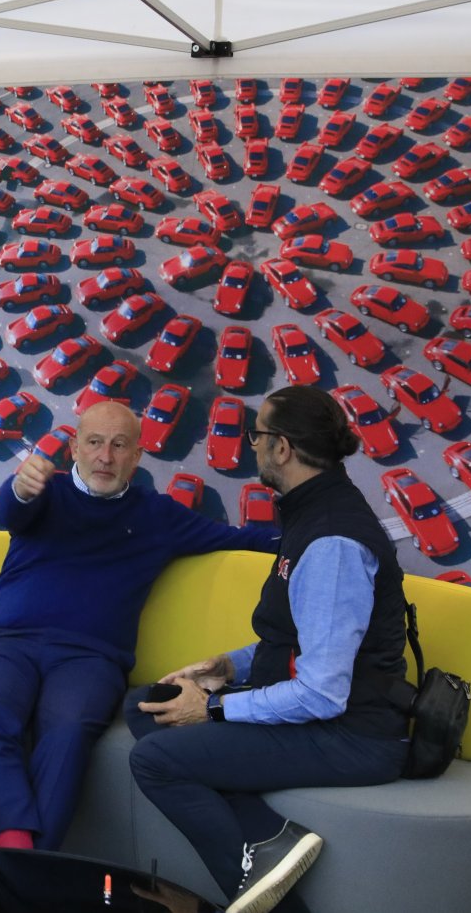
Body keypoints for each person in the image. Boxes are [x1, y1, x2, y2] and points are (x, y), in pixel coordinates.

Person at [128, 386, 410, 913]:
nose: (251, 445)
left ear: (282, 447)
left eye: (256, 435)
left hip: (350, 734)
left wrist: (213, 707)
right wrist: (230, 665)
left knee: (156, 760)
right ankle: (267, 836)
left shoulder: (332, 543)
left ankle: (268, 893)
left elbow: (323, 694)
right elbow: (303, 636)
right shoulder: (312, 511)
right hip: (321, 716)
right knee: (147, 703)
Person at [0, 400, 278, 856]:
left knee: (68, 731)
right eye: (94, 443)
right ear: (75, 448)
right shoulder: (44, 493)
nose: (105, 457)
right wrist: (20, 488)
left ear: (137, 456)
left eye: (119, 445)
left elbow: (242, 539)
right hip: (6, 645)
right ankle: (23, 861)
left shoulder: (157, 515)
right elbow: (8, 510)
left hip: (90, 658)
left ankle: (20, 870)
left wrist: (318, 534)